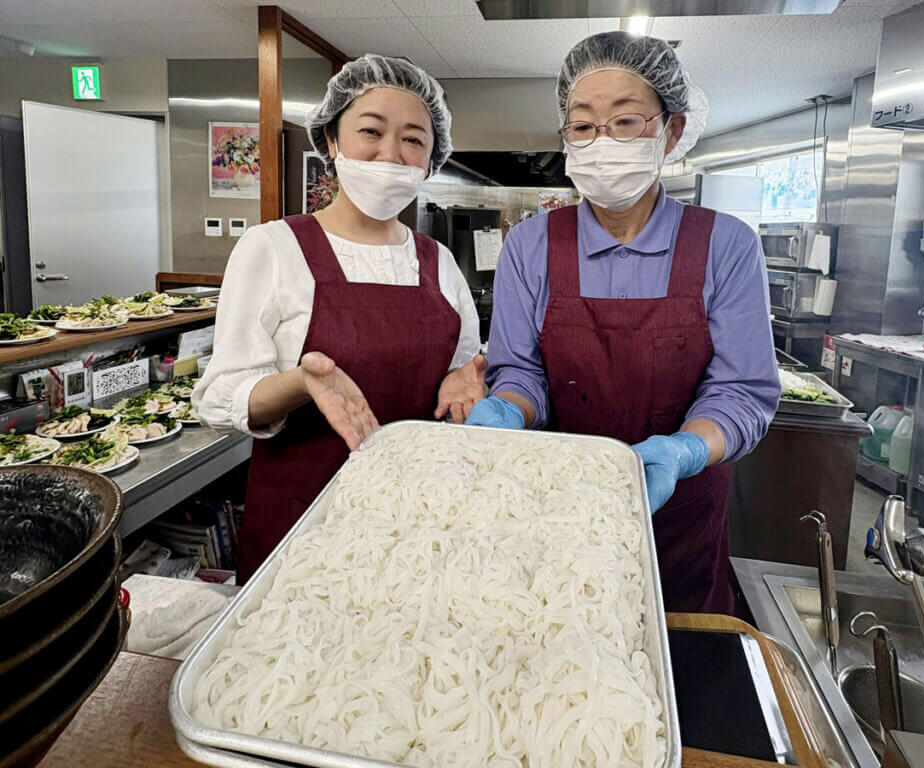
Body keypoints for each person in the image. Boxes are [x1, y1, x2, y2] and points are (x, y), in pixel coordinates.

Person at [466, 32, 780, 615]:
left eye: (626, 122)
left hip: (679, 523)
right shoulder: (530, 247)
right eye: (582, 126)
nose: (601, 142)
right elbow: (521, 373)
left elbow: (742, 391)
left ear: (672, 131)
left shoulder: (726, 246)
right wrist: (506, 406)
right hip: (555, 519)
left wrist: (684, 450)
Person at [194, 55, 484, 583]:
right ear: (330, 140)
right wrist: (302, 381)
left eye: (413, 140)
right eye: (371, 131)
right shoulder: (273, 248)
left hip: (420, 523)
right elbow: (219, 398)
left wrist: (469, 380)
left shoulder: (439, 262)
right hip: (301, 528)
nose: (390, 155)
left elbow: (460, 374)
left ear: (430, 158)